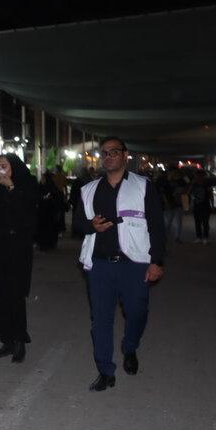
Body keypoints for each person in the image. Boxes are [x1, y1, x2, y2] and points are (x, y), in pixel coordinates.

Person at [72, 136, 165, 392]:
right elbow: (77, 223)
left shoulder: (143, 187)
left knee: (136, 312)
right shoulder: (89, 190)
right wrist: (90, 226)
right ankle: (105, 371)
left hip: (134, 264)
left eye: (114, 151)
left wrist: (156, 261)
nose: (108, 156)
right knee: (100, 319)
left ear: (125, 155)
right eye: (104, 153)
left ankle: (130, 347)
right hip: (100, 265)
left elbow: (157, 226)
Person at [0, 153, 38, 363]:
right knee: (0, 296)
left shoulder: (27, 185)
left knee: (15, 295)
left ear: (14, 167)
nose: (2, 169)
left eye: (5, 165)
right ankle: (7, 340)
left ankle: (19, 341)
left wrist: (11, 188)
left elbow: (28, 213)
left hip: (18, 249)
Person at [158, 167, 188, 242]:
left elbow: (185, 192)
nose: (175, 174)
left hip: (178, 204)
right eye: (173, 172)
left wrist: (185, 206)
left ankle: (177, 237)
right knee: (167, 222)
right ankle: (165, 237)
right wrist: (166, 203)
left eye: (176, 172)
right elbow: (162, 193)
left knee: (178, 222)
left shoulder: (181, 181)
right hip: (169, 204)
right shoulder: (164, 181)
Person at [36, 171, 64, 251]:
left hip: (50, 213)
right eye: (42, 178)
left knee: (49, 229)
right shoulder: (39, 187)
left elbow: (58, 199)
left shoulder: (52, 188)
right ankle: (42, 244)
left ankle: (49, 244)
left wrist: (49, 199)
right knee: (42, 229)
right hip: (41, 212)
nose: (42, 180)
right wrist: (41, 198)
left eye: (44, 178)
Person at [188, 170, 214, 244]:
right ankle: (199, 237)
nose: (197, 177)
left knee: (205, 222)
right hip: (196, 205)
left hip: (205, 205)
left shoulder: (207, 184)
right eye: (196, 175)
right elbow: (188, 192)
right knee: (197, 222)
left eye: (199, 175)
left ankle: (206, 237)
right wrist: (192, 184)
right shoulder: (194, 184)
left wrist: (212, 205)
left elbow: (211, 194)